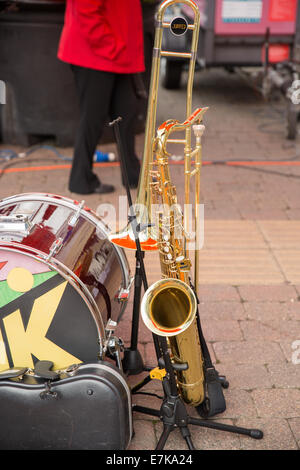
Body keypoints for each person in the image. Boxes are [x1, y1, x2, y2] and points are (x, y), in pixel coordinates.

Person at [57, 0, 145, 195]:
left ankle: (132, 174)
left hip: (116, 53)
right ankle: (81, 180)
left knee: (126, 114)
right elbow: (86, 11)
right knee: (92, 119)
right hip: (95, 52)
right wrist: (113, 47)